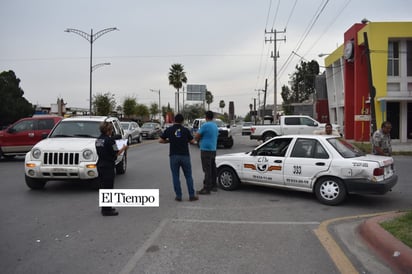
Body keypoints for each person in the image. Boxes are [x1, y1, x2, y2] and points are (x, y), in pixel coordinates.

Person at [159, 114, 198, 202]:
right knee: (188, 176)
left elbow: (160, 140)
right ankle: (191, 195)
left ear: (174, 120)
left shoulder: (169, 130)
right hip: (185, 155)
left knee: (175, 176)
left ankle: (179, 196)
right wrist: (187, 140)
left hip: (173, 156)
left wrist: (169, 141)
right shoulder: (186, 130)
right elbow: (192, 141)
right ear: (182, 121)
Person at [96, 121, 128, 216]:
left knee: (103, 187)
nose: (111, 131)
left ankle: (105, 207)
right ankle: (107, 210)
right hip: (108, 166)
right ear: (108, 130)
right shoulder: (110, 141)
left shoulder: (98, 140)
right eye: (111, 129)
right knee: (109, 188)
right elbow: (116, 153)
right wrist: (124, 148)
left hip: (100, 165)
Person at [195, 111, 219, 195]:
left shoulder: (205, 125)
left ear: (206, 117)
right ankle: (214, 185)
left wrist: (198, 139)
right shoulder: (215, 126)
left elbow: (197, 136)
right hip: (213, 149)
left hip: (205, 149)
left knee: (207, 169)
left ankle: (206, 188)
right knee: (212, 167)